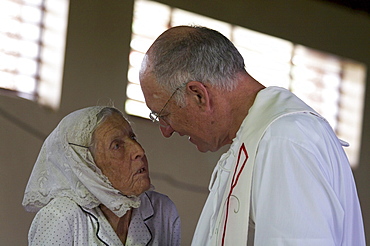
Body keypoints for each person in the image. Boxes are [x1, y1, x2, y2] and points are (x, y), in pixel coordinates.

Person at [139, 25, 366, 245]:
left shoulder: (284, 140)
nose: (166, 130)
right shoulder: (258, 139)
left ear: (198, 94)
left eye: (163, 114)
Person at [22, 106, 181, 246]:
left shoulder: (161, 210)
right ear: (87, 165)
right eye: (117, 145)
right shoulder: (60, 217)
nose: (139, 150)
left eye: (132, 137)